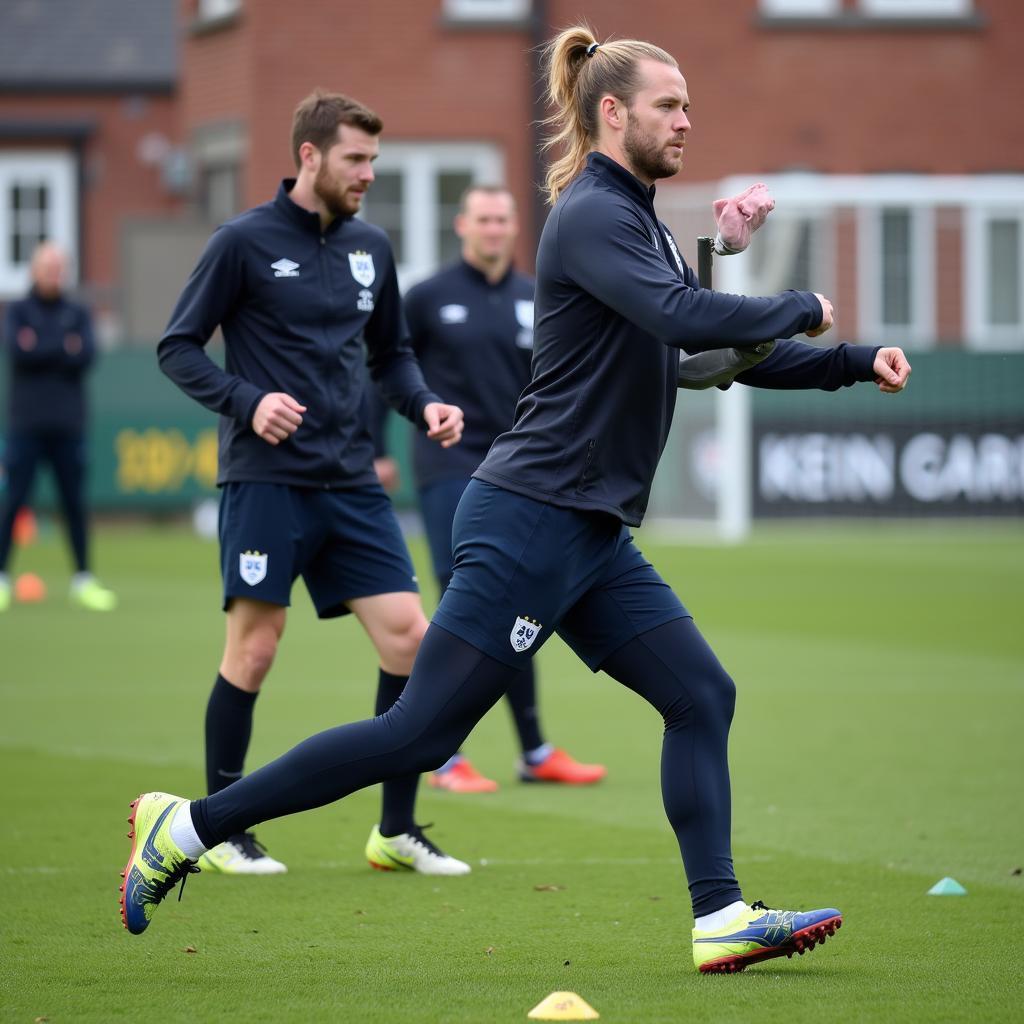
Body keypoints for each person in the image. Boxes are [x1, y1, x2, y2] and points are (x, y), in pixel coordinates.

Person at [119, 28, 911, 977]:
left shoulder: (638, 221)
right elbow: (684, 317)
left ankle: (719, 915)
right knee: (418, 732)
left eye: (689, 104)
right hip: (532, 514)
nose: (687, 120)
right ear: (612, 111)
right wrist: (798, 299)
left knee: (701, 694)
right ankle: (188, 825)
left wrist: (850, 362)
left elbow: (696, 356)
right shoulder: (591, 215)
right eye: (670, 105)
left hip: (587, 530)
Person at [154, 90, 470, 878]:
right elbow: (178, 346)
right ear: (309, 156)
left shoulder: (373, 247)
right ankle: (222, 829)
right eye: (355, 159)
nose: (367, 174)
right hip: (266, 481)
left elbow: (390, 355)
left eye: (373, 160)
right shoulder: (242, 242)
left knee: (412, 639)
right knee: (255, 650)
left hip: (352, 479)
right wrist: (247, 400)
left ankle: (395, 830)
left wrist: (424, 401)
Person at [381, 184, 606, 792]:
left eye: (502, 219)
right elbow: (384, 366)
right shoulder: (427, 297)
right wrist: (378, 447)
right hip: (448, 463)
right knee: (468, 600)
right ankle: (442, 753)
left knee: (518, 600)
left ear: (513, 227)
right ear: (462, 225)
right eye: (482, 218)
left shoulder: (537, 297)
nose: (493, 228)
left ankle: (534, 752)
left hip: (518, 469)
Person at [0, 242, 116, 613]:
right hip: (26, 425)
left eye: (59, 267)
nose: (54, 273)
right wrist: (62, 348)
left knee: (74, 505)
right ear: (34, 270)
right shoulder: (17, 310)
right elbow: (20, 353)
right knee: (13, 501)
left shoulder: (77, 311)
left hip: (69, 425)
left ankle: (83, 579)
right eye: (47, 267)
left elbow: (86, 355)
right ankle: (1, 577)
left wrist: (44, 347)